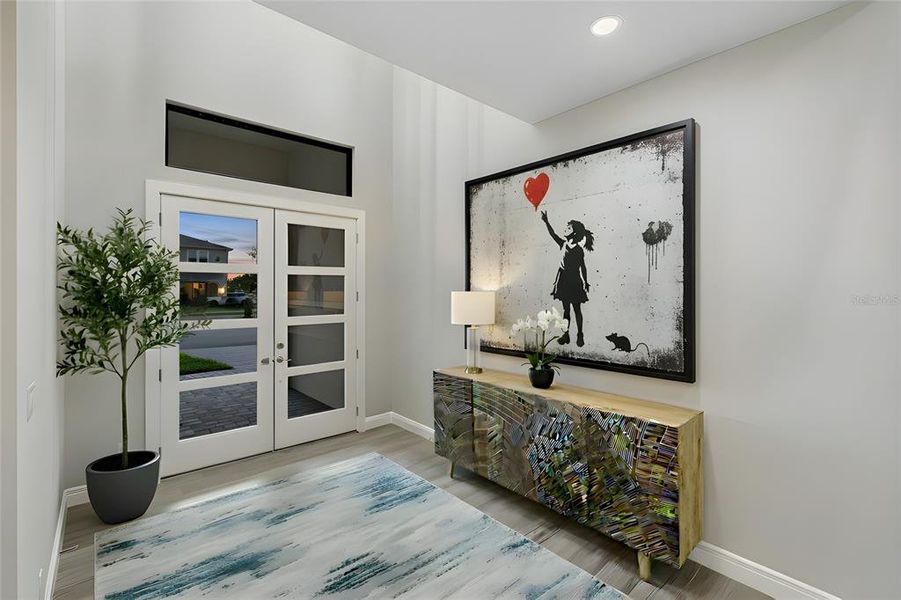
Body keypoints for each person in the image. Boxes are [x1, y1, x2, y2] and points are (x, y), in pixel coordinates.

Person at [540, 210, 594, 347]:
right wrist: (546, 222)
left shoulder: (579, 249)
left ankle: (580, 334)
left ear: (574, 232)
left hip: (574, 280)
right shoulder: (563, 244)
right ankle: (566, 334)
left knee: (577, 309)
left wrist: (586, 282)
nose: (566, 229)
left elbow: (583, 267)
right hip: (564, 279)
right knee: (566, 310)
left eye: (569, 228)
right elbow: (553, 234)